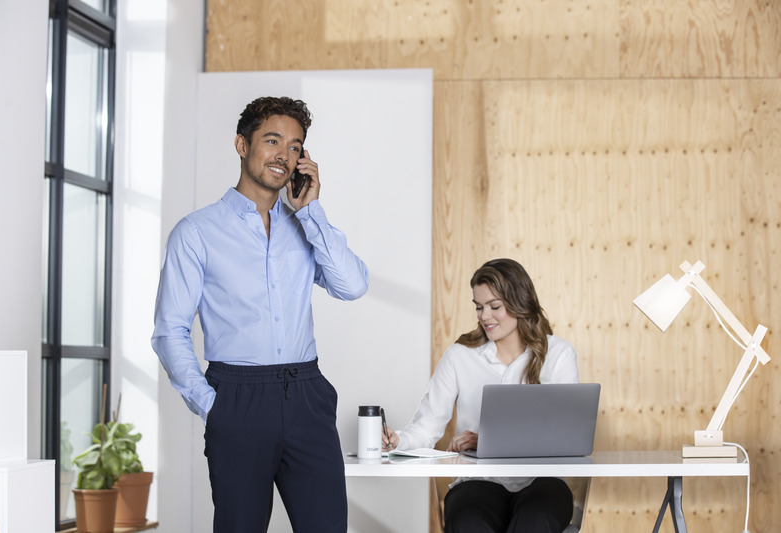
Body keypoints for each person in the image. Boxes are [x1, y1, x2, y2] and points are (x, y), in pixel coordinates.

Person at [151, 96, 369, 532]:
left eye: (295, 146)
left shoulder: (305, 227)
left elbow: (352, 285)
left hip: (306, 395)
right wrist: (212, 407)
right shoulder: (197, 232)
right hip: (237, 398)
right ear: (241, 144)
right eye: (272, 141)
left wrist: (310, 211)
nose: (283, 156)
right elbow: (169, 331)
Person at [382, 258, 578, 533]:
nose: (485, 316)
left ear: (520, 302)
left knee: (535, 521)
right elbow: (427, 428)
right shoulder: (459, 356)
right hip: (478, 481)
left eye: (494, 306)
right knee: (467, 522)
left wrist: (486, 440)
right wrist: (397, 440)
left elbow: (565, 436)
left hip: (542, 481)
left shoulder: (558, 355)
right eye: (479, 307)